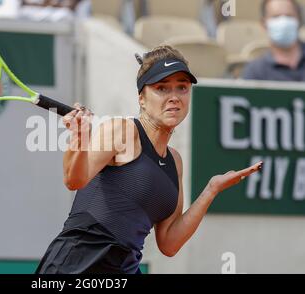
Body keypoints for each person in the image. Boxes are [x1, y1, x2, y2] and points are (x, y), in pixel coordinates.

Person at [36, 45, 263, 274]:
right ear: (142, 99)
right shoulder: (121, 131)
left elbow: (169, 243)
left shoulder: (175, 161)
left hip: (125, 267)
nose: (174, 97)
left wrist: (211, 190)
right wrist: (79, 138)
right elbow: (74, 180)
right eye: (162, 88)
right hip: (76, 265)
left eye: (182, 88)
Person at [242, 0, 305, 81]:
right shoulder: (255, 71)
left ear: (299, 20)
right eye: (276, 16)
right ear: (263, 23)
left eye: (289, 16)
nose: (283, 22)